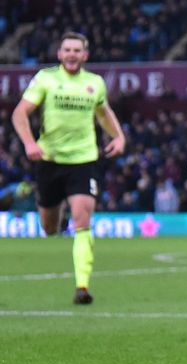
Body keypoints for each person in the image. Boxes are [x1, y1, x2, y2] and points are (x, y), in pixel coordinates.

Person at [11, 32, 126, 305]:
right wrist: (29, 143)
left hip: (83, 161)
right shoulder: (46, 79)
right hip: (49, 161)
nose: (72, 54)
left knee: (83, 220)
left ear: (85, 55)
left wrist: (118, 136)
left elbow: (103, 112)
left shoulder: (94, 83)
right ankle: (58, 218)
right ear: (60, 54)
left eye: (77, 50)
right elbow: (20, 113)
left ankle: (82, 287)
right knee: (49, 227)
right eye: (67, 50)